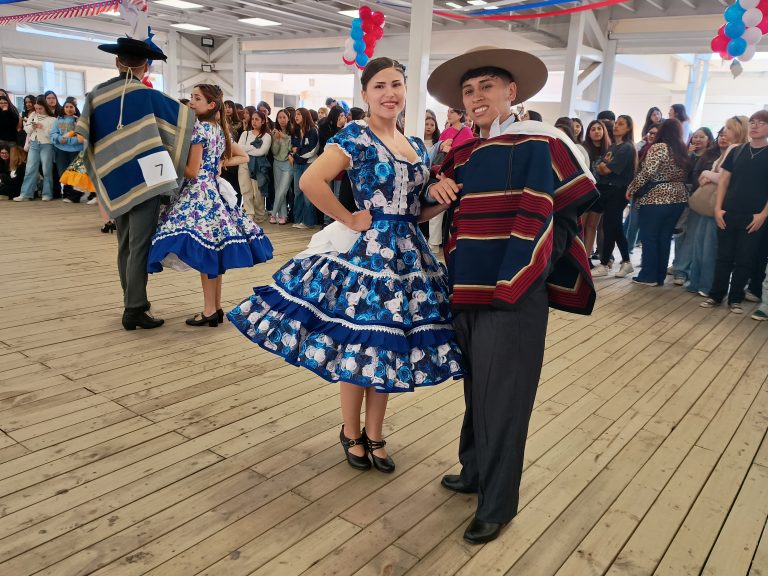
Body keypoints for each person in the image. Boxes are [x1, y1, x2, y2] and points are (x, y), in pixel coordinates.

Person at [227, 57, 463, 476]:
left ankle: (376, 433)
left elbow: (415, 211)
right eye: (379, 86)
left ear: (405, 91)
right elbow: (309, 181)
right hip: (368, 256)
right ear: (366, 94)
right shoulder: (355, 134)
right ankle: (351, 431)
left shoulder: (413, 144)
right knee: (360, 342)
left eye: (396, 84)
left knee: (388, 344)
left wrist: (438, 198)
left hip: (409, 256)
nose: (389, 93)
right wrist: (350, 217)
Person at [425, 46, 598, 544]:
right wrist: (435, 187)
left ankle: (497, 506)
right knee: (476, 388)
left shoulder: (544, 142)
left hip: (515, 293)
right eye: (468, 90)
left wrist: (528, 269)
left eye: (487, 87)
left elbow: (570, 212)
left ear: (511, 92)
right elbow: (438, 207)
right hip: (464, 290)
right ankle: (474, 469)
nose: (477, 97)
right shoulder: (460, 153)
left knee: (505, 398)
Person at [73, 36, 196, 330]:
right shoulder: (150, 96)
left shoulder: (96, 95)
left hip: (114, 178)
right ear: (146, 67)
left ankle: (131, 301)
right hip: (147, 178)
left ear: (117, 61)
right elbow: (185, 122)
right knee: (139, 245)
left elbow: (84, 136)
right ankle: (135, 308)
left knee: (125, 244)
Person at [148, 84, 273, 326]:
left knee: (206, 253)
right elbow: (242, 156)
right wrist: (218, 165)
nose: (191, 102)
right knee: (214, 251)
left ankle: (208, 310)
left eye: (196, 98)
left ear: (211, 104)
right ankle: (214, 307)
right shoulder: (217, 129)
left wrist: (168, 158)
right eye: (192, 98)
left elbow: (192, 171)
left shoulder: (198, 130)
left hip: (198, 194)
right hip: (214, 192)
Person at [701, 110, 768, 314]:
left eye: (761, 123)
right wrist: (718, 208)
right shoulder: (737, 151)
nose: (754, 126)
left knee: (745, 259)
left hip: (754, 216)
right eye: (753, 122)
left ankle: (735, 298)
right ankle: (716, 295)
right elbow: (724, 181)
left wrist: (763, 214)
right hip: (728, 212)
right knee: (723, 257)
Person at [626, 118, 691, 286]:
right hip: (679, 198)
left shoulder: (659, 147)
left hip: (657, 197)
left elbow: (648, 172)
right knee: (664, 237)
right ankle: (659, 276)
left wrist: (632, 188)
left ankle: (648, 276)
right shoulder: (682, 150)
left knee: (650, 237)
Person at [591, 115, 636, 278]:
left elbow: (606, 169)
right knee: (615, 227)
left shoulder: (626, 148)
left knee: (610, 227)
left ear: (628, 128)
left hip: (617, 191)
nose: (616, 126)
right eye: (616, 123)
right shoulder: (613, 147)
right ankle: (626, 262)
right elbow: (599, 168)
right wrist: (603, 167)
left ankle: (604, 264)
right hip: (607, 190)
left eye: (621, 124)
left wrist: (603, 167)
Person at [14, 96, 56, 202]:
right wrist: (32, 127)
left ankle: (47, 194)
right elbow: (26, 129)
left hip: (46, 145)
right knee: (30, 169)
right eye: (36, 108)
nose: (38, 111)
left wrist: (43, 127)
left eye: (40, 108)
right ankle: (25, 194)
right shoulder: (33, 115)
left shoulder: (53, 119)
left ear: (45, 107)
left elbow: (52, 135)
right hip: (33, 144)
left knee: (46, 170)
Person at [582, 120, 611, 260]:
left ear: (604, 131)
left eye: (599, 128)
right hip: (585, 190)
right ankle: (578, 256)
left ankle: (586, 257)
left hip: (601, 192)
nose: (596, 131)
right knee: (581, 225)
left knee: (592, 226)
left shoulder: (610, 150)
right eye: (593, 129)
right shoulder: (583, 148)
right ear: (588, 133)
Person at [238, 110, 271, 222]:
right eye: (252, 119)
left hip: (258, 165)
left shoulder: (266, 136)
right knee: (246, 189)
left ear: (262, 121)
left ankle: (260, 214)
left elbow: (261, 152)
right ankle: (249, 214)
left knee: (258, 191)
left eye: (257, 119)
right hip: (244, 163)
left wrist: (247, 148)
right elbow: (239, 148)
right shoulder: (245, 133)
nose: (254, 121)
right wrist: (253, 147)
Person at [290, 107, 319, 229]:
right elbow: (293, 147)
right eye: (295, 114)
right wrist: (295, 153)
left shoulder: (313, 130)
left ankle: (309, 222)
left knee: (308, 193)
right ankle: (298, 219)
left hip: (309, 164)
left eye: (299, 114)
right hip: (297, 164)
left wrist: (296, 154)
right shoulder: (295, 131)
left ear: (305, 116)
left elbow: (312, 150)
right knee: (298, 192)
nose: (296, 116)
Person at [51, 100, 84, 203]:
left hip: (76, 150)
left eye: (71, 107)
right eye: (67, 107)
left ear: (75, 108)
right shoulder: (58, 120)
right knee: (63, 173)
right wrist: (59, 138)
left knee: (75, 173)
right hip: (61, 150)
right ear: (63, 108)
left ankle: (74, 196)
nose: (69, 109)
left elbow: (81, 137)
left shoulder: (79, 120)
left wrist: (69, 140)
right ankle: (67, 194)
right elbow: (53, 134)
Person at [270, 108, 293, 224]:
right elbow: (274, 151)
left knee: (282, 190)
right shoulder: (274, 132)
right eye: (280, 117)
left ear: (288, 118)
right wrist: (278, 140)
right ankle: (283, 215)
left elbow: (292, 148)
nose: (282, 120)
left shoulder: (293, 132)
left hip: (288, 164)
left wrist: (284, 138)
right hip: (276, 163)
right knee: (278, 190)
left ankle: (273, 214)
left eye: (284, 117)